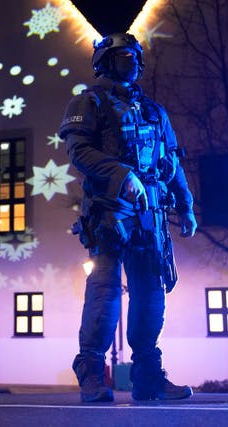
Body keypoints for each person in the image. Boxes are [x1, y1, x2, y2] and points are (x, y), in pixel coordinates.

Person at [59, 33, 198, 403]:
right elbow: (80, 152)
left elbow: (171, 161)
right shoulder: (88, 103)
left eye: (136, 55)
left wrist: (185, 204)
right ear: (105, 60)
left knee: (150, 293)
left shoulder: (154, 111)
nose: (133, 61)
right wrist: (122, 176)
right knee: (105, 292)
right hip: (109, 211)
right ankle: (91, 372)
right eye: (124, 55)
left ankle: (148, 376)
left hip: (150, 213)